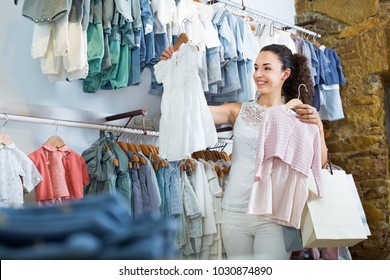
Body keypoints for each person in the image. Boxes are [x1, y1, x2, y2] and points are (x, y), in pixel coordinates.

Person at [160, 43, 328, 259]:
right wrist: (176, 66)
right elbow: (192, 112)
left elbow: (320, 164)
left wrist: (319, 128)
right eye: (256, 68)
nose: (258, 74)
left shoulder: (299, 116)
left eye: (267, 68)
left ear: (285, 73)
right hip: (234, 213)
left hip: (274, 217)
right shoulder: (238, 111)